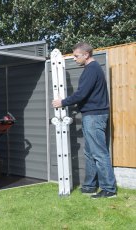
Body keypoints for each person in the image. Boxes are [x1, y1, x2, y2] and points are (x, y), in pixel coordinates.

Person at [52, 42, 116, 199]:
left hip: (94, 116)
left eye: (76, 56)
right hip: (91, 115)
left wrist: (63, 102)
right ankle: (89, 186)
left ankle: (109, 189)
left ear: (86, 54)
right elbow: (86, 96)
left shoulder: (91, 70)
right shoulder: (92, 69)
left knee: (99, 153)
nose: (74, 59)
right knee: (89, 152)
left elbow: (81, 94)